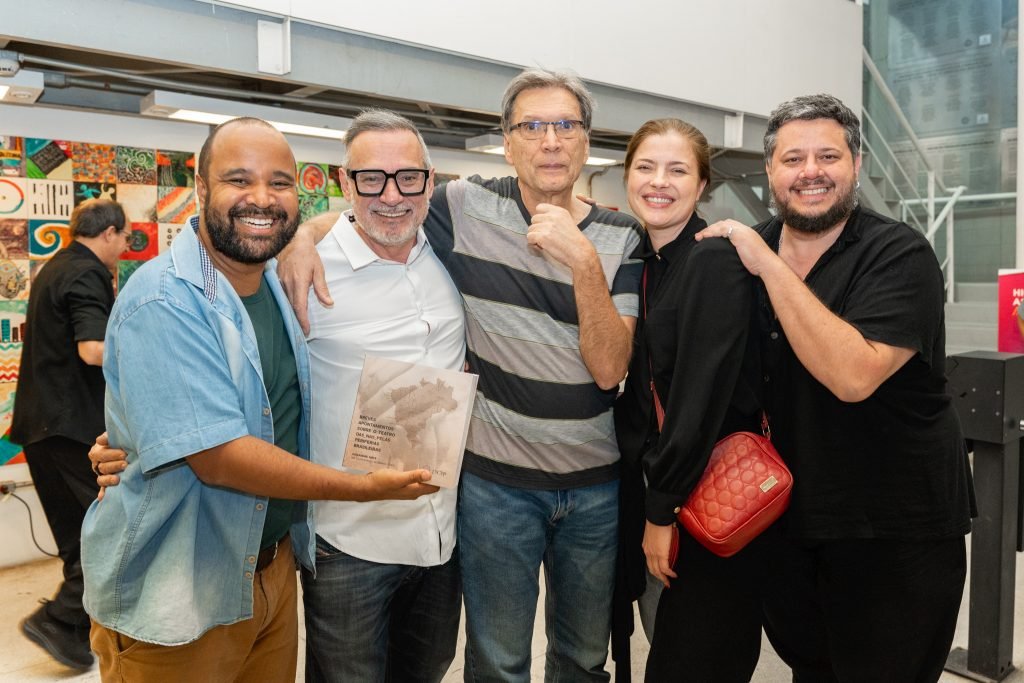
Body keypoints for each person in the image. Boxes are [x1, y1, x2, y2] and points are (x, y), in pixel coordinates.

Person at [278, 68, 643, 682]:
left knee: (581, 658)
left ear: (586, 140)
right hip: (478, 492)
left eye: (565, 125)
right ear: (507, 140)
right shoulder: (463, 207)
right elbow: (369, 211)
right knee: (496, 661)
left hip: (579, 489)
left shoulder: (620, 235)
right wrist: (299, 238)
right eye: (531, 126)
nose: (550, 140)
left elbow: (611, 371)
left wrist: (583, 262)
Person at [80, 116, 438, 682]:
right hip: (181, 587)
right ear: (200, 186)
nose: (262, 199)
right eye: (239, 180)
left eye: (280, 182)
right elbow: (219, 457)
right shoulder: (165, 301)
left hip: (270, 571)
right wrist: (362, 489)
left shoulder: (273, 280)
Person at [697, 94, 974, 682]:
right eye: (793, 158)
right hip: (791, 522)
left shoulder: (898, 254)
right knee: (812, 672)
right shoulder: (743, 250)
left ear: (855, 164)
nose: (811, 171)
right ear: (770, 170)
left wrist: (769, 266)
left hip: (894, 529)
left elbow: (853, 376)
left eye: (828, 155)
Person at [300, 109, 464, 682]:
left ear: (430, 181)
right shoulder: (305, 271)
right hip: (349, 541)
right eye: (371, 178)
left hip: (441, 534)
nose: (391, 195)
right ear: (346, 183)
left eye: (407, 177)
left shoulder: (448, 254)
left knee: (427, 671)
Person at [611, 118, 768, 682]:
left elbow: (701, 399)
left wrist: (662, 511)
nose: (660, 182)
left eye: (678, 170)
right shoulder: (645, 261)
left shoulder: (712, 260)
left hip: (704, 497)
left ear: (702, 186)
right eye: (646, 168)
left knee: (694, 660)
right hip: (660, 492)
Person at [10, 198, 129, 670]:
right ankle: (60, 621)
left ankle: (72, 631)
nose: (122, 247)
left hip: (41, 429)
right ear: (110, 233)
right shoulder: (87, 273)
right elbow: (93, 348)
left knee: (79, 539)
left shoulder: (54, 267)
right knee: (108, 533)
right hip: (72, 429)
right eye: (123, 239)